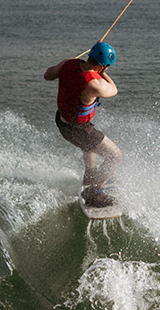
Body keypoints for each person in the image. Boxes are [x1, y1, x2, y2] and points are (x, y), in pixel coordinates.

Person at [44, 41, 122, 207]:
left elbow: (47, 75)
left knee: (89, 145)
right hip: (77, 129)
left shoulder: (67, 64)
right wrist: (104, 73)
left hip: (61, 120)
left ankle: (89, 174)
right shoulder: (95, 84)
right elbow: (113, 89)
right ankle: (94, 192)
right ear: (102, 67)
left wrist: (73, 63)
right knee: (115, 155)